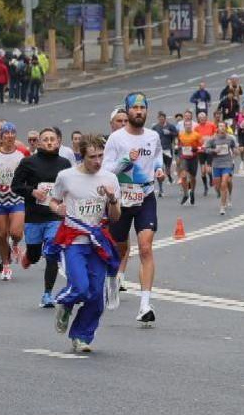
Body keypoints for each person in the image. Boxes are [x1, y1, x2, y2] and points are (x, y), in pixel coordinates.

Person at [47, 134, 122, 353]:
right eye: (92, 157)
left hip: (97, 241)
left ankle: (82, 336)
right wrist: (57, 209)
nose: (98, 161)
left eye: (101, 156)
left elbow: (116, 217)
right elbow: (53, 200)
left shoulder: (110, 178)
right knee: (81, 287)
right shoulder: (66, 177)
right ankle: (65, 302)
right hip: (74, 240)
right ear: (82, 156)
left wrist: (113, 200)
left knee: (97, 296)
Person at [103, 92, 165, 325]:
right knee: (117, 249)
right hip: (121, 198)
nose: (139, 111)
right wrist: (125, 161)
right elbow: (107, 169)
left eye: (142, 107)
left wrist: (159, 170)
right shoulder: (117, 139)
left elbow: (157, 158)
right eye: (134, 107)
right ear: (127, 111)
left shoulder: (152, 136)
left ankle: (145, 305)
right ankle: (112, 280)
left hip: (146, 196)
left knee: (146, 248)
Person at [13, 127, 72, 307]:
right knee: (35, 254)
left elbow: (72, 187)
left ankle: (47, 294)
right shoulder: (28, 163)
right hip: (33, 217)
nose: (49, 142)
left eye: (52, 139)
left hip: (54, 217)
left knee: (52, 253)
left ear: (58, 142)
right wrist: (32, 191)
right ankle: (28, 255)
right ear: (38, 142)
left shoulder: (64, 164)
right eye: (45, 139)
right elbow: (15, 186)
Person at [0, 122, 31, 281]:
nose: (9, 137)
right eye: (6, 134)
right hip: (0, 197)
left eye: (12, 134)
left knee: (16, 232)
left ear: (15, 136)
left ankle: (15, 245)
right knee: (2, 235)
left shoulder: (23, 152)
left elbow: (32, 169)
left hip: (17, 195)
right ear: (1, 138)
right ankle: (6, 265)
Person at [204, 121, 238, 215]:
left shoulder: (230, 138)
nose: (222, 128)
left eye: (223, 126)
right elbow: (206, 149)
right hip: (216, 164)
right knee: (217, 186)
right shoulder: (213, 139)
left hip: (227, 163)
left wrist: (236, 151)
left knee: (224, 184)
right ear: (217, 128)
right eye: (220, 126)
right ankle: (221, 194)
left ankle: (222, 206)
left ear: (226, 128)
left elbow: (234, 147)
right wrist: (214, 150)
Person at [152, 111, 179, 198]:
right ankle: (161, 189)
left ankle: (169, 176)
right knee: (160, 170)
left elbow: (176, 135)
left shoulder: (170, 126)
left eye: (162, 118)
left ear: (165, 118)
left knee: (167, 168)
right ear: (158, 118)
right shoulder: (155, 127)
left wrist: (170, 133)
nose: (161, 119)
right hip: (158, 151)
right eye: (160, 118)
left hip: (168, 150)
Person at [176, 117, 203, 205]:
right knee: (183, 176)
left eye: (189, 125)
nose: (188, 126)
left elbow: (202, 146)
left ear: (191, 126)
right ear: (184, 126)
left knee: (192, 178)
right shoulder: (181, 135)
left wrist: (197, 149)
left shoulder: (196, 135)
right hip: (184, 158)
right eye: (186, 125)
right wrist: (177, 149)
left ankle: (192, 192)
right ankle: (185, 194)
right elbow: (179, 145)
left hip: (193, 158)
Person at [194, 110, 217, 195]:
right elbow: (195, 138)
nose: (202, 119)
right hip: (201, 150)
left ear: (206, 118)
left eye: (203, 118)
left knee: (208, 169)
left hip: (209, 149)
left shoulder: (211, 125)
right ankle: (205, 187)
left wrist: (211, 138)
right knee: (203, 171)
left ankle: (211, 178)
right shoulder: (196, 128)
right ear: (198, 119)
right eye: (200, 118)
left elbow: (215, 133)